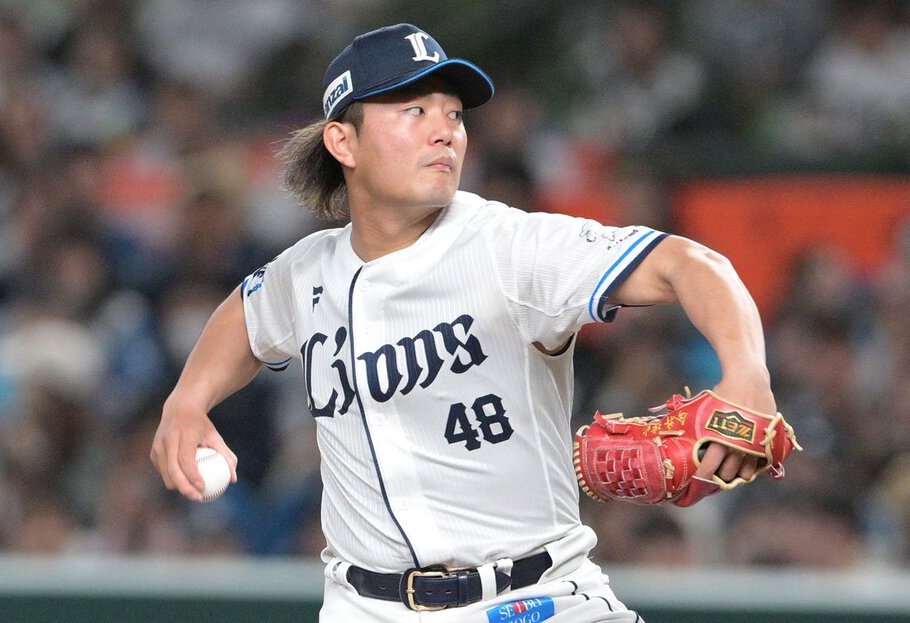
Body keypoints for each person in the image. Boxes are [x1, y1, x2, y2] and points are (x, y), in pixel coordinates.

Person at [151, 23, 777, 622]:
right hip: (365, 607)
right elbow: (246, 314)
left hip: (536, 599)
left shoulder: (507, 247)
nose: (445, 132)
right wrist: (188, 400)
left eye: (453, 114)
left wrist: (747, 372)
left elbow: (688, 264)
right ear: (344, 142)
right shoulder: (306, 271)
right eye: (414, 111)